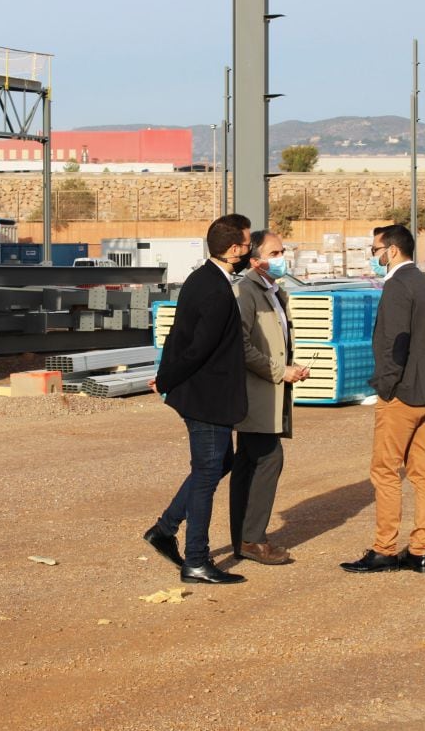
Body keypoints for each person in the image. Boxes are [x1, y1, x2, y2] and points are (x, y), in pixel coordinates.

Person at [143, 213, 253, 585]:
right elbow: (197, 349)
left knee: (220, 463)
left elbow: (178, 336)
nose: (251, 249)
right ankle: (196, 560)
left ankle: (164, 528)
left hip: (203, 395)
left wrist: (168, 378)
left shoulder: (201, 278)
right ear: (235, 248)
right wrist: (165, 380)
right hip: (207, 398)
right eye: (248, 243)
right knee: (207, 475)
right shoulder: (216, 290)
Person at [340, 224, 425, 575]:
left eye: (375, 250)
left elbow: (393, 345)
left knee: (385, 471)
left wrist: (385, 387)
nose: (374, 256)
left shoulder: (397, 287)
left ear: (391, 250)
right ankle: (419, 550)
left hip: (402, 393)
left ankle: (384, 548)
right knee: (423, 472)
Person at [230, 230, 309, 565]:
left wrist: (291, 368)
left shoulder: (275, 292)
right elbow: (242, 346)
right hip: (256, 392)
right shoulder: (245, 291)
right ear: (254, 258)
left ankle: (245, 536)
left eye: (283, 251)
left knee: (249, 463)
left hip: (273, 391)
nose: (281, 258)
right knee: (268, 458)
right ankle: (252, 538)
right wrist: (280, 370)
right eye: (274, 253)